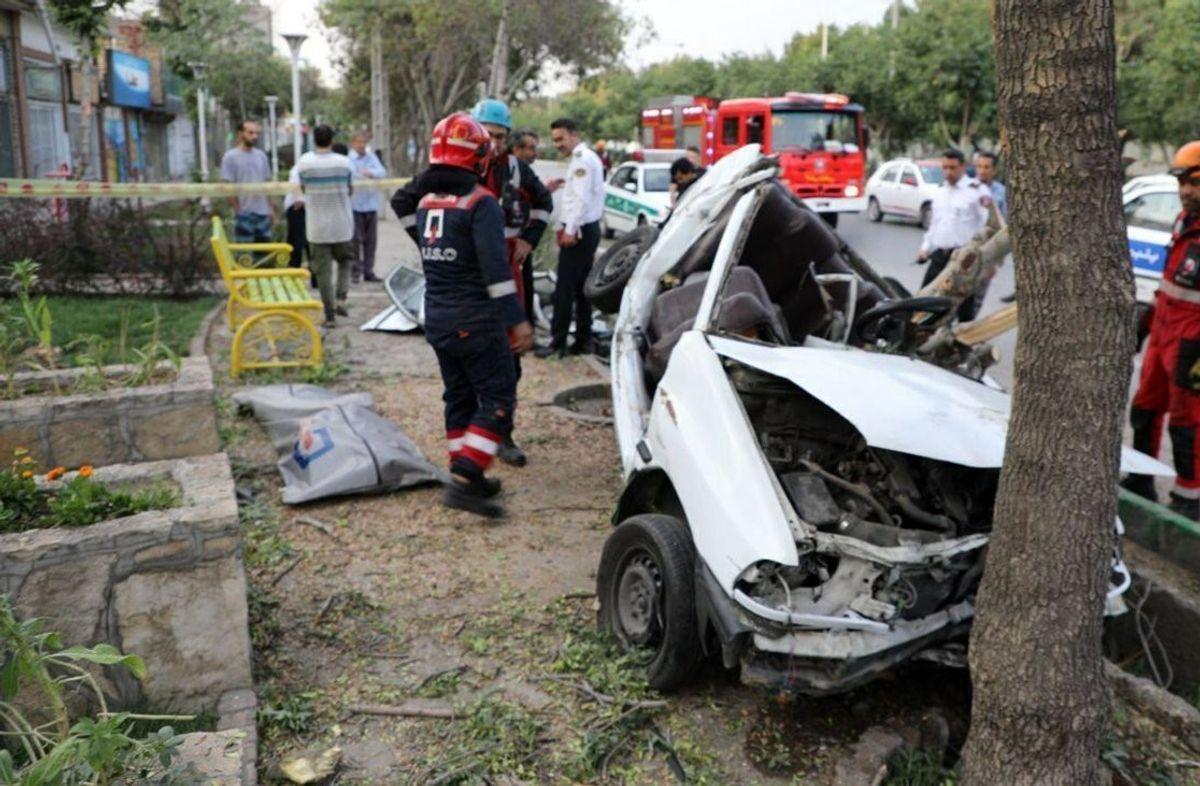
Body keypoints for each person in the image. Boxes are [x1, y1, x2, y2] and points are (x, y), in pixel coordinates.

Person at [404, 111, 533, 518]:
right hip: (476, 320)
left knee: (458, 395)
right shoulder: (482, 203)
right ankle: (465, 477)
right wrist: (516, 320)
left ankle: (467, 475)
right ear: (475, 158)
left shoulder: (425, 203)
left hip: (438, 318)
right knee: (498, 396)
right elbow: (496, 274)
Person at [471, 99, 555, 467]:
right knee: (471, 356)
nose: (493, 142)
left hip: (509, 272)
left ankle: (502, 434)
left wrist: (528, 240)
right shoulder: (455, 168)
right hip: (470, 276)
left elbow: (543, 203)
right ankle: (470, 438)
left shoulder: (518, 170)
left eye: (499, 136)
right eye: (487, 135)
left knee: (510, 358)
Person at [1123, 140, 1200, 518]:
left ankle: (1189, 496)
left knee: (1188, 421)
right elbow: (1172, 284)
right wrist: (1146, 320)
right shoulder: (1183, 223)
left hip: (1194, 343)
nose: (1186, 191)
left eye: (1196, 182)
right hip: (1165, 332)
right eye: (1183, 182)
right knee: (1145, 408)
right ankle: (1141, 477)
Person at [535, 117, 605, 359]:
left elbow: (582, 199)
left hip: (580, 232)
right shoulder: (585, 158)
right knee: (581, 289)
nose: (557, 145)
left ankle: (558, 343)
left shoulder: (581, 160)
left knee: (564, 289)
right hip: (585, 230)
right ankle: (583, 340)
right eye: (554, 140)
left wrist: (570, 230)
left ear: (574, 135)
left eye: (560, 139)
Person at [916, 148, 990, 321]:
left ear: (963, 166)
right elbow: (935, 224)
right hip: (940, 254)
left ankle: (963, 340)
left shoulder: (977, 190)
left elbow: (987, 224)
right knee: (925, 297)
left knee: (964, 305)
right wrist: (925, 248)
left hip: (965, 258)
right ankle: (922, 334)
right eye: (945, 167)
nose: (948, 172)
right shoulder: (941, 191)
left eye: (952, 168)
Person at [295, 125, 356, 327]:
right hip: (342, 225)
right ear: (332, 140)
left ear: (314, 140)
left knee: (323, 272)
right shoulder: (344, 163)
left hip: (317, 227)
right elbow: (350, 190)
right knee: (345, 262)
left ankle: (329, 315)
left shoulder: (304, 163)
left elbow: (303, 188)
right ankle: (341, 299)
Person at [220, 120, 273, 242]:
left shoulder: (261, 156)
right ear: (240, 134)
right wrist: (238, 210)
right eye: (250, 133)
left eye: (257, 133)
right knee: (245, 256)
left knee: (264, 254)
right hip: (244, 213)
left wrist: (270, 209)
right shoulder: (230, 157)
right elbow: (229, 186)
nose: (255, 136)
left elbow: (267, 184)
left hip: (263, 213)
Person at [349, 132, 387, 283]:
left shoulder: (371, 157)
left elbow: (382, 172)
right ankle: (355, 272)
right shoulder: (349, 159)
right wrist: (361, 175)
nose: (362, 145)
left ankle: (368, 271)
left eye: (364, 142)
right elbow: (351, 175)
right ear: (353, 144)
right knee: (355, 241)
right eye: (358, 142)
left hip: (371, 204)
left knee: (371, 241)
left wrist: (369, 172)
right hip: (355, 205)